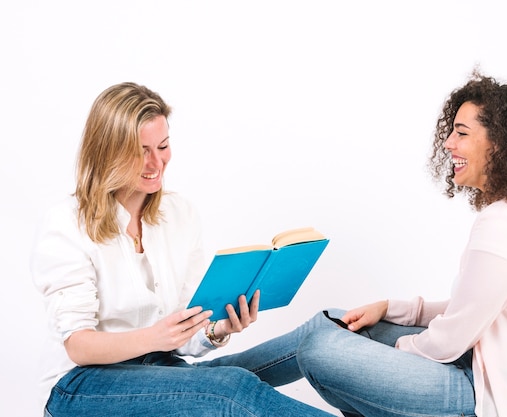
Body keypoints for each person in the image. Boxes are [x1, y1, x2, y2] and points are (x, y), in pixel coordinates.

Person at [207, 72, 507, 417]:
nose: (448, 143)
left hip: (487, 402)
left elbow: (449, 341)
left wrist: (391, 350)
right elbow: (474, 309)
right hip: (484, 380)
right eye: (451, 131)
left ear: (500, 145)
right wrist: (394, 309)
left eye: (462, 133)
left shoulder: (505, 225)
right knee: (335, 321)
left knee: (319, 347)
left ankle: (210, 385)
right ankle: (210, 380)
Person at [31, 82, 335, 417]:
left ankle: (336, 333)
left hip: (159, 368)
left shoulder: (179, 215)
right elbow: (78, 345)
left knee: (309, 341)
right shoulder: (67, 222)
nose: (155, 163)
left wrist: (217, 328)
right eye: (140, 150)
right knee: (233, 388)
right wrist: (155, 338)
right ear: (107, 152)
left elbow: (181, 330)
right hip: (82, 385)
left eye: (162, 146)